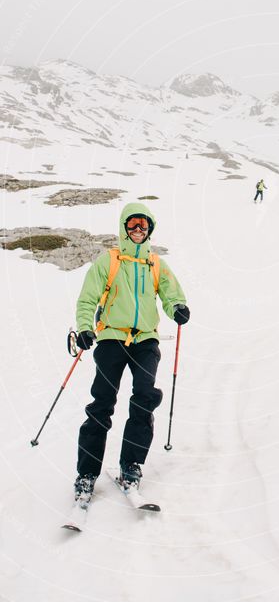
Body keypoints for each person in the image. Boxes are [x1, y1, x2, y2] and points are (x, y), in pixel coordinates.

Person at [73, 201, 189, 498]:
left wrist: (177, 307)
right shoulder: (109, 261)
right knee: (102, 403)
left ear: (150, 229)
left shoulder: (156, 263)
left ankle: (132, 465)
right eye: (133, 224)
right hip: (112, 338)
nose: (138, 230)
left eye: (144, 225)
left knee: (144, 398)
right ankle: (86, 473)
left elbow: (171, 293)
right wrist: (86, 328)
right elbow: (87, 299)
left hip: (146, 341)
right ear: (124, 227)